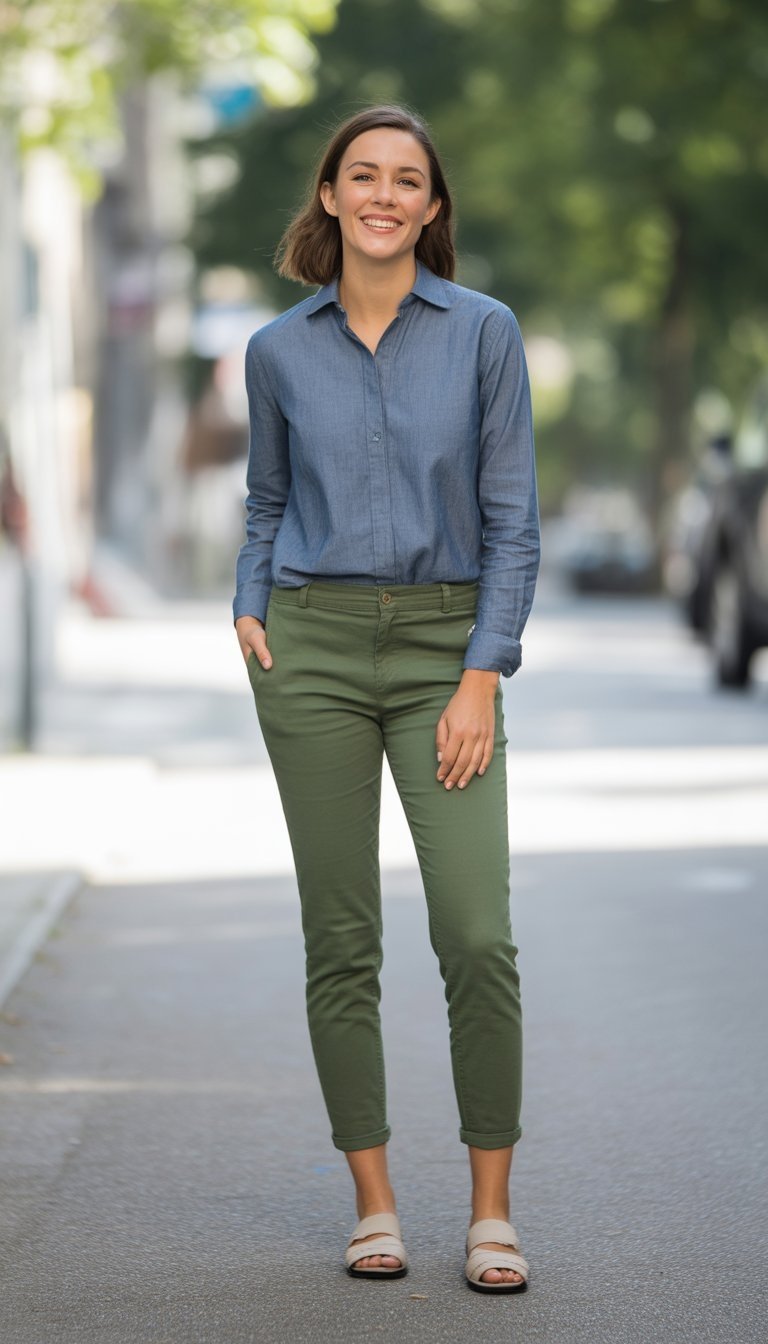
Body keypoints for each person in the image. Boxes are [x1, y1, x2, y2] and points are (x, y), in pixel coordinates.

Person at [234, 105, 539, 1293]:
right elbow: (265, 496)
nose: (383, 195)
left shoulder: (484, 334)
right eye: (362, 175)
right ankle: (373, 1201)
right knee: (340, 935)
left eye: (407, 180)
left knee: (475, 932)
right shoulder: (278, 349)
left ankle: (492, 1211)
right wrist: (249, 603)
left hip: (440, 651)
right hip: (306, 649)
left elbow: (513, 521)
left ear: (431, 208)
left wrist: (481, 674)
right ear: (328, 195)